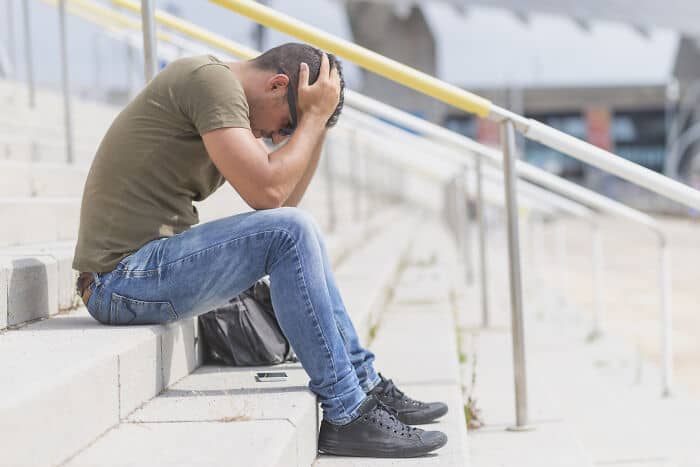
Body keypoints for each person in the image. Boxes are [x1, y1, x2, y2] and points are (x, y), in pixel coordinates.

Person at [73, 43, 448, 458]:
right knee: (292, 231)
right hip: (120, 279)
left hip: (144, 269)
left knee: (298, 229)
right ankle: (346, 411)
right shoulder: (211, 83)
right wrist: (312, 120)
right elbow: (268, 194)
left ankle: (364, 383)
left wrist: (316, 126)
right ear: (277, 85)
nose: (278, 138)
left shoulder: (229, 99)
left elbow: (283, 203)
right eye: (286, 125)